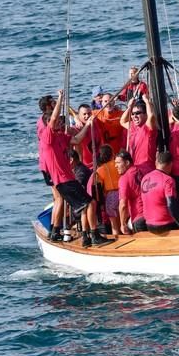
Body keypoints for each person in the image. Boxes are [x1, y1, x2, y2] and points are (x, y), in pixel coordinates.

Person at [41, 90, 110, 246]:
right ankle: (94, 236)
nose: (60, 122)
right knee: (90, 203)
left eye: (60, 121)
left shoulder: (61, 136)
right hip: (63, 181)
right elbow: (52, 118)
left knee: (87, 205)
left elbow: (78, 139)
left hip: (69, 178)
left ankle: (88, 237)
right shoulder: (48, 136)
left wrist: (88, 124)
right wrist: (60, 99)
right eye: (57, 121)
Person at [140, 151, 179, 232]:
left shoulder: (145, 178)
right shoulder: (168, 180)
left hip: (149, 224)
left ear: (156, 162)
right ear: (171, 164)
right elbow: (171, 204)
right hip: (165, 224)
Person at [36, 94, 63, 235]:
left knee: (56, 197)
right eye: (53, 103)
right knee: (60, 198)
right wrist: (60, 99)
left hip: (45, 165)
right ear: (48, 107)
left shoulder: (40, 121)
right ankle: (56, 229)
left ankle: (54, 226)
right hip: (49, 166)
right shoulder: (46, 123)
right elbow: (54, 119)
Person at [119, 97, 157, 171]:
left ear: (146, 114)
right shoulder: (133, 127)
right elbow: (122, 121)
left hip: (146, 167)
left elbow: (151, 116)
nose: (134, 116)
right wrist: (130, 107)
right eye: (132, 114)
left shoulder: (148, 128)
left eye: (138, 113)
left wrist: (146, 101)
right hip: (135, 166)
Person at [115, 151, 147, 234]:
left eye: (118, 163)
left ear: (127, 162)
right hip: (152, 215)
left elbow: (123, 205)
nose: (116, 166)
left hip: (139, 217)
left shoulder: (124, 178)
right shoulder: (144, 169)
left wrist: (122, 224)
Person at [93, 145, 121, 235]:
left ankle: (118, 243)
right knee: (122, 222)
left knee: (114, 225)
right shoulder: (118, 163)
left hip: (110, 196)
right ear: (112, 154)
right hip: (122, 193)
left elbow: (98, 188)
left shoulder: (100, 170)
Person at [74, 104, 103, 169]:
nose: (87, 116)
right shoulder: (76, 128)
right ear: (79, 115)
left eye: (89, 113)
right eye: (84, 114)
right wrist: (76, 120)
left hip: (99, 162)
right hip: (86, 166)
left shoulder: (95, 122)